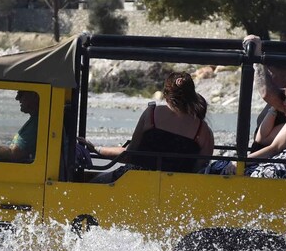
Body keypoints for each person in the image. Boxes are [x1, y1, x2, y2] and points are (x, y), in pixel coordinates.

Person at [83, 72, 215, 181]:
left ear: (166, 94)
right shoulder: (203, 130)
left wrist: (97, 149)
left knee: (94, 182)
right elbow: (199, 171)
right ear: (192, 95)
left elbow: (130, 154)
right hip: (176, 188)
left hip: (135, 180)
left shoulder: (151, 114)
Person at [222, 72, 286, 179]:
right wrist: (274, 107)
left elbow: (275, 148)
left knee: (242, 173)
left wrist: (242, 162)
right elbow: (261, 138)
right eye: (283, 97)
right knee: (222, 167)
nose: (285, 103)